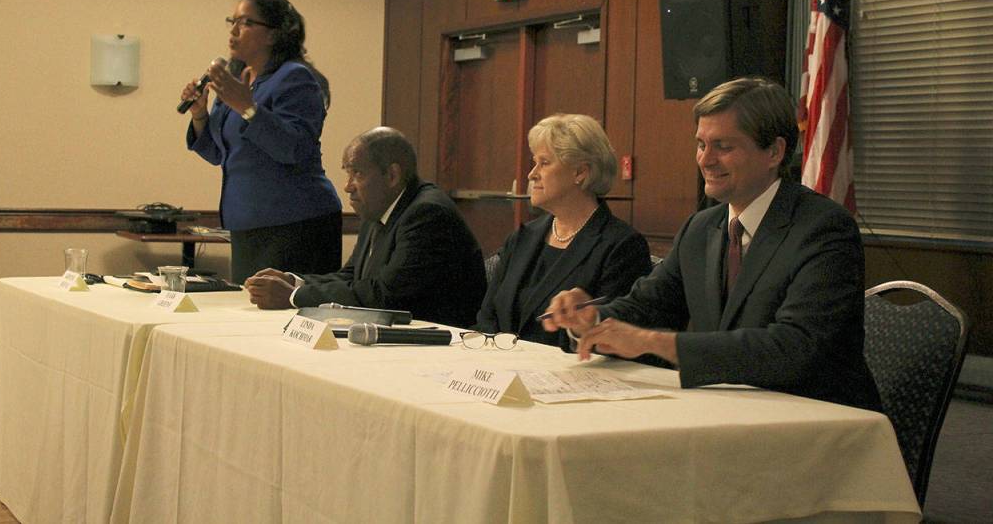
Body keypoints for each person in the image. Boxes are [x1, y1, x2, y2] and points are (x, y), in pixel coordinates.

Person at [541, 77, 880, 410]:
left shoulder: (823, 228)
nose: (705, 159)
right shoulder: (701, 228)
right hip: (725, 410)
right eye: (702, 144)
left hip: (816, 422)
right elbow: (647, 307)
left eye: (724, 146)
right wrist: (591, 319)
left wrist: (658, 343)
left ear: (774, 152)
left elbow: (794, 348)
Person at [244, 127, 487, 328]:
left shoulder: (427, 215)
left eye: (357, 173)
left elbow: (385, 296)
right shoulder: (380, 209)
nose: (348, 186)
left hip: (440, 344)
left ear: (392, 175)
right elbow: (351, 277)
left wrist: (291, 297)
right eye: (347, 174)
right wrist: (295, 281)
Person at [180, 0, 342, 284]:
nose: (234, 30)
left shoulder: (294, 78)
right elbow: (222, 154)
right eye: (232, 21)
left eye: (245, 22)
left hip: (296, 222)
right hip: (248, 223)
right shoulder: (240, 81)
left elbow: (293, 148)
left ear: (273, 34)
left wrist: (248, 107)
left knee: (283, 319)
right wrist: (201, 114)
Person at [474, 114, 652, 345]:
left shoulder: (622, 246)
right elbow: (487, 317)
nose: (532, 174)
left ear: (580, 172)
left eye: (545, 163)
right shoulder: (522, 238)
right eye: (534, 162)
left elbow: (615, 335)